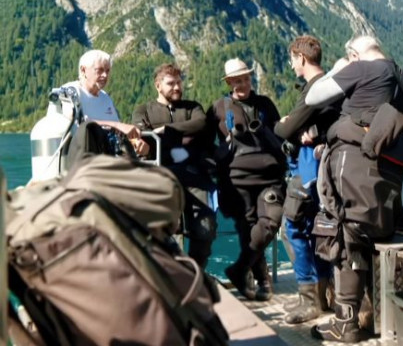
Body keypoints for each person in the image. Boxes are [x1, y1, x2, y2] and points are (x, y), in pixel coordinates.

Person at [305, 35, 403, 342]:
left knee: (347, 237)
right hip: (391, 177)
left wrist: (339, 68)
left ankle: (346, 324)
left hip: (353, 170)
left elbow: (313, 97)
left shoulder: (361, 68)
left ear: (355, 54)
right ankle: (377, 316)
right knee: (376, 237)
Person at [206, 58, 287, 301]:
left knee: (271, 221)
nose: (242, 84)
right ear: (229, 83)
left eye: (246, 79)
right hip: (236, 180)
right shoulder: (218, 108)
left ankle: (240, 269)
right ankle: (262, 281)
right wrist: (221, 153)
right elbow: (205, 143)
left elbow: (279, 133)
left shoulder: (265, 104)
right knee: (247, 229)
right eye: (237, 80)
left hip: (269, 176)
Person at [274, 35, 339, 324]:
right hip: (322, 167)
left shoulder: (315, 88)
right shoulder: (332, 85)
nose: (291, 66)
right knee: (318, 229)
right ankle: (322, 294)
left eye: (292, 60)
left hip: (309, 169)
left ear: (301, 58)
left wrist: (285, 123)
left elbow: (284, 131)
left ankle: (310, 299)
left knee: (292, 227)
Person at [132, 63, 217, 269]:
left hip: (194, 176)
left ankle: (194, 272)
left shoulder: (192, 107)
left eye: (179, 82)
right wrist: (182, 134)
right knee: (165, 230)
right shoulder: (144, 110)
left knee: (205, 229)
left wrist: (165, 131)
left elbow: (201, 124)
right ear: (158, 86)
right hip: (160, 176)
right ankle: (170, 275)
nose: (177, 87)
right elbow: (143, 136)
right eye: (171, 84)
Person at [64, 49, 148, 156]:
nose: (105, 75)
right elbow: (77, 124)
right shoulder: (70, 92)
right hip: (81, 158)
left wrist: (135, 143)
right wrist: (116, 125)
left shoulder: (105, 98)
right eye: (99, 70)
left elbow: (117, 133)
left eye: (107, 71)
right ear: (83, 70)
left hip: (106, 158)